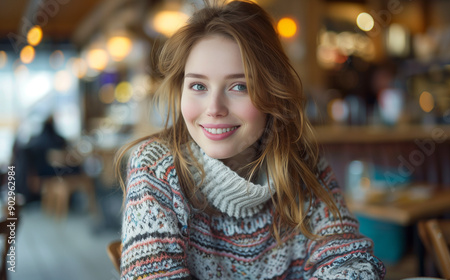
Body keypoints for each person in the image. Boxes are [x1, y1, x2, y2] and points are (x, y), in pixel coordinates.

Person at [116, 1, 385, 279]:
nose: (214, 108)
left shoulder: (302, 165)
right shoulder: (156, 167)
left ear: (272, 93)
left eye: (239, 86)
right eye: (198, 86)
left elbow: (352, 265)